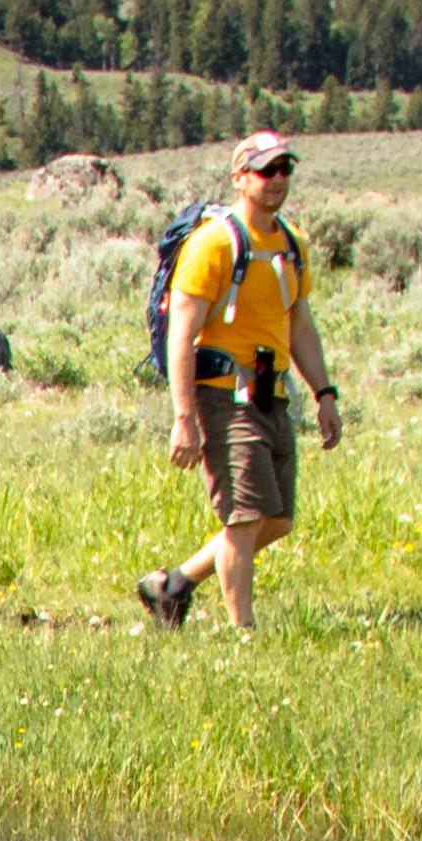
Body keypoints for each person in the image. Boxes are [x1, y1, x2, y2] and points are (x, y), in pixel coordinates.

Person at [140, 129, 344, 633]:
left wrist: (324, 394)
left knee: (276, 521)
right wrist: (184, 418)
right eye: (265, 170)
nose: (277, 180)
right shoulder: (214, 243)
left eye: (284, 169)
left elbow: (299, 324)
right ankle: (243, 637)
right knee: (245, 520)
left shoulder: (290, 243)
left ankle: (173, 585)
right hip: (222, 396)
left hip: (273, 396)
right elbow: (182, 334)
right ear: (239, 177)